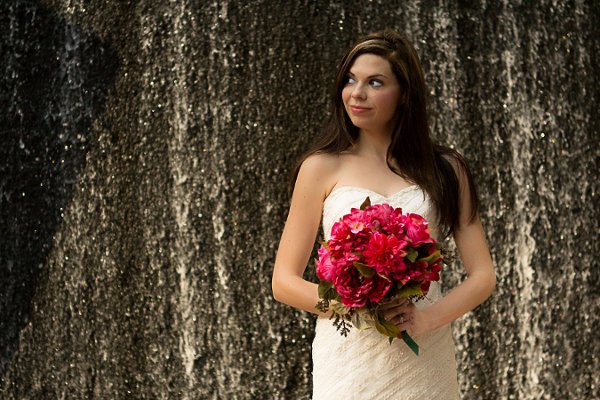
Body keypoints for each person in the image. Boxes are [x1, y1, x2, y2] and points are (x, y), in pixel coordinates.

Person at [271, 29, 496, 399]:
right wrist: (353, 304)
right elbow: (283, 281)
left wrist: (425, 319)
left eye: (375, 82)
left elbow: (483, 275)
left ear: (405, 93)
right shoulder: (319, 168)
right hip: (348, 358)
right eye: (350, 79)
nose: (356, 93)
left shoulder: (446, 169)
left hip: (425, 355)